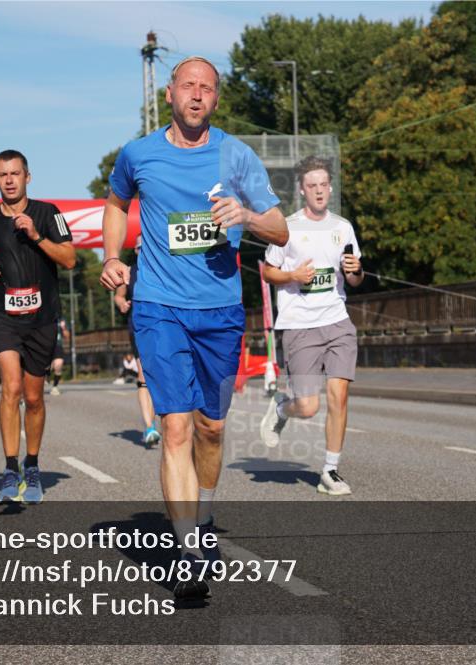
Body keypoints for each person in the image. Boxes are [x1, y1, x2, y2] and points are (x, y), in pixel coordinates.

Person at [100, 56, 288, 601]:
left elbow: (279, 229)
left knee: (211, 429)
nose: (197, 95)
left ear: (216, 99)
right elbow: (115, 205)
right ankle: (186, 553)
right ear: (170, 94)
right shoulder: (138, 154)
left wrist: (246, 216)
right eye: (188, 85)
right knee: (177, 428)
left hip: (220, 310)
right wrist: (111, 257)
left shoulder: (237, 155)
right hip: (158, 305)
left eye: (207, 88)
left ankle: (202, 519)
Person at [0, 149, 75, 504]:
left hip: (41, 317)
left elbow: (70, 259)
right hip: (0, 314)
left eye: (15, 173)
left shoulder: (48, 213)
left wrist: (36, 235)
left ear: (27, 177)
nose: (10, 180)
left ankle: (32, 465)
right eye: (3, 175)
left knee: (33, 398)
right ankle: (10, 468)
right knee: (11, 387)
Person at [259, 156, 364, 496]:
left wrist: (355, 271)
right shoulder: (287, 229)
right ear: (302, 190)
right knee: (308, 406)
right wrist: (293, 275)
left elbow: (355, 278)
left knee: (339, 395)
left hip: (337, 321)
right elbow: (268, 272)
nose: (318, 191)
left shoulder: (343, 228)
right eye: (312, 185)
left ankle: (330, 471)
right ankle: (282, 408)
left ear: (330, 188)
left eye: (323, 185)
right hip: (300, 326)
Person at [113, 235, 161, 446]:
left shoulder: (162, 268)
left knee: (159, 377)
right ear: (135, 250)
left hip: (165, 327)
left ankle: (163, 421)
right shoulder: (129, 272)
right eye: (140, 247)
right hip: (139, 327)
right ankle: (150, 427)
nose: (143, 250)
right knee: (144, 376)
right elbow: (119, 295)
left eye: (147, 246)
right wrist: (122, 304)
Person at [48, 318, 69, 396]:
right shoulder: (43, 316)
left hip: (57, 345)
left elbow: (67, 336)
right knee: (47, 367)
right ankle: (45, 377)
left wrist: (63, 328)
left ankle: (55, 387)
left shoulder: (61, 320)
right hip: (46, 345)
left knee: (59, 364)